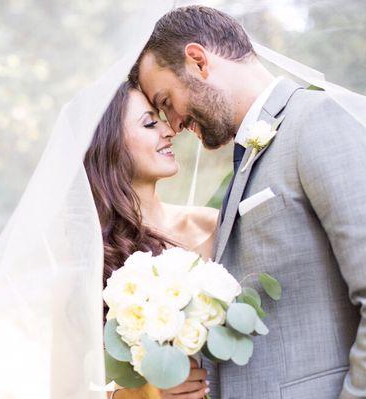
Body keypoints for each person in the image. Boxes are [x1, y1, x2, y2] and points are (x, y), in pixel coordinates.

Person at [129, 5, 365, 399]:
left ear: (198, 61)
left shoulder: (316, 119)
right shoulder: (246, 160)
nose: (173, 125)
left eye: (166, 101)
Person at [84, 80, 216, 399]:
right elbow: (71, 388)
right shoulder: (92, 259)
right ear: (109, 144)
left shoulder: (212, 225)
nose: (169, 131)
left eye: (162, 118)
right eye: (149, 123)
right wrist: (149, 392)